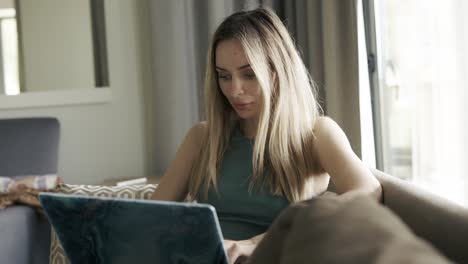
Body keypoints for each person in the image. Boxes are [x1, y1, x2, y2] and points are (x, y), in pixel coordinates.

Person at [151, 7, 382, 264]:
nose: (234, 90)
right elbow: (150, 215)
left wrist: (253, 243)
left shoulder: (316, 134)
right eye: (224, 76)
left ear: (278, 72)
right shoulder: (203, 137)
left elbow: (368, 189)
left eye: (249, 74)